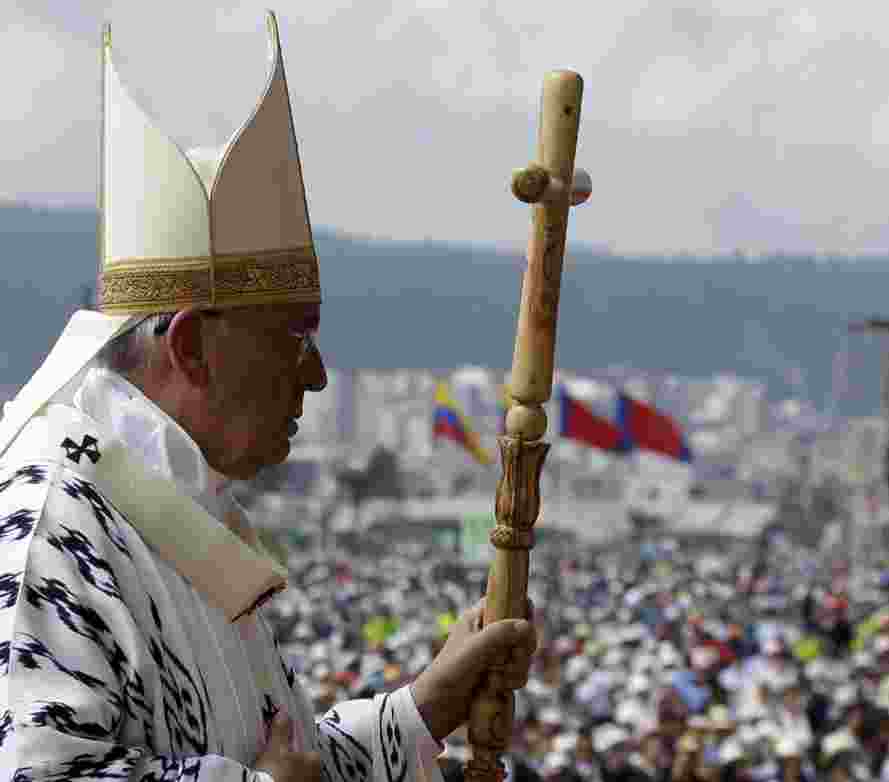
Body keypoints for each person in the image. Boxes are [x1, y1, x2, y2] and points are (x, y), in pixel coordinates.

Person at [0, 11, 536, 781]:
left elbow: (280, 757)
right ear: (189, 346)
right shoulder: (52, 520)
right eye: (293, 336)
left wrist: (422, 711)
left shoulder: (168, 507)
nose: (316, 374)